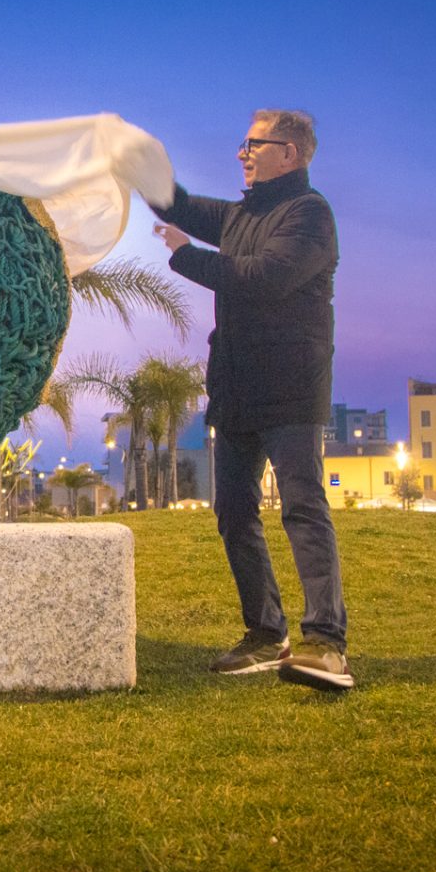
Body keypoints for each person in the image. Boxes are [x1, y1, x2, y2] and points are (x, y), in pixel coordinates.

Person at [151, 109, 352, 691]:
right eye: (243, 144)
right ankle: (266, 635)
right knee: (234, 514)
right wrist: (135, 162)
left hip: (290, 389)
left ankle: (326, 644)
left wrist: (186, 254)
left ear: (289, 153)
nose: (242, 153)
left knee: (302, 508)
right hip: (236, 389)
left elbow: (263, 278)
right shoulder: (241, 213)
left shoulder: (309, 216)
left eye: (253, 144)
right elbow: (179, 204)